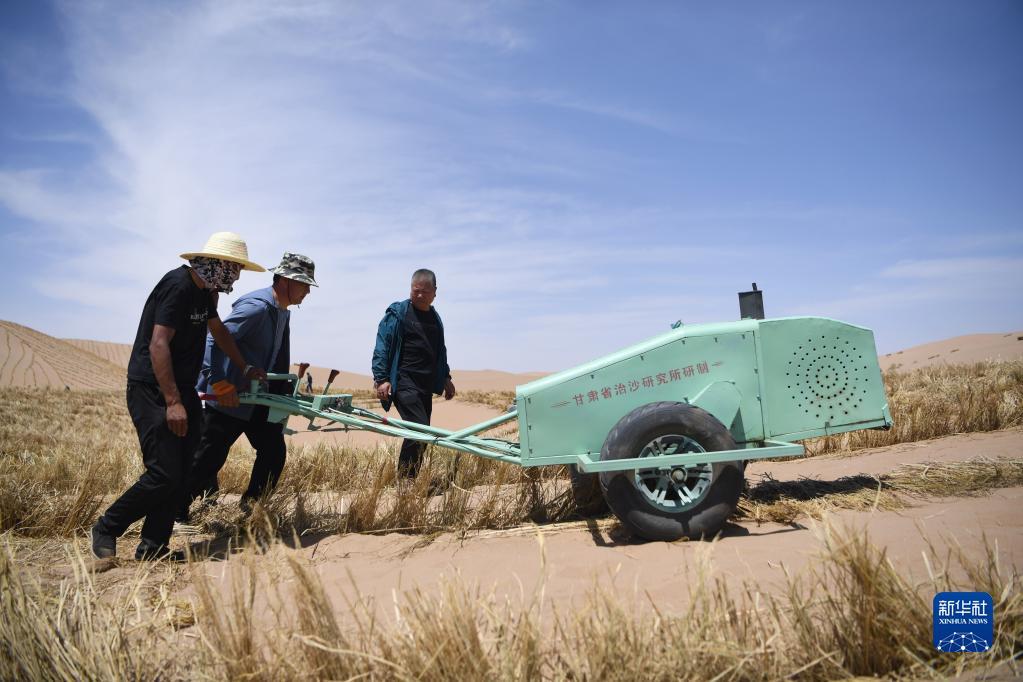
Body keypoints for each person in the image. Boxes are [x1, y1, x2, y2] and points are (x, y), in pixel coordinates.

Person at [91, 232, 265, 561]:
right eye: (235, 268)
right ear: (217, 264)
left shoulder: (205, 293)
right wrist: (172, 402)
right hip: (153, 388)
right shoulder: (178, 286)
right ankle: (106, 527)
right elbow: (158, 344)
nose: (237, 277)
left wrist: (244, 367)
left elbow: (219, 332)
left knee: (184, 472)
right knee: (163, 473)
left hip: (182, 389)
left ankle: (153, 548)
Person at [181, 252, 317, 521]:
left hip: (258, 398)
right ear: (286, 280)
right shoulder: (256, 307)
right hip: (230, 397)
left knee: (273, 451)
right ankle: (173, 511)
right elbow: (214, 338)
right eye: (304, 284)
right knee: (208, 459)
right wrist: (217, 380)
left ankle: (251, 506)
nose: (307, 292)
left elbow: (276, 359)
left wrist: (282, 393)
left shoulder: (281, 313)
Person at [372, 269, 456, 478]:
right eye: (415, 290)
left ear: (435, 292)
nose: (419, 295)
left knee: (423, 432)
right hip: (403, 381)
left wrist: (446, 378)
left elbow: (440, 352)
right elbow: (382, 345)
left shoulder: (435, 319)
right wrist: (381, 378)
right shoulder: (398, 314)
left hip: (425, 385)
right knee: (419, 428)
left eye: (424, 292)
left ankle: (410, 477)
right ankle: (405, 480)